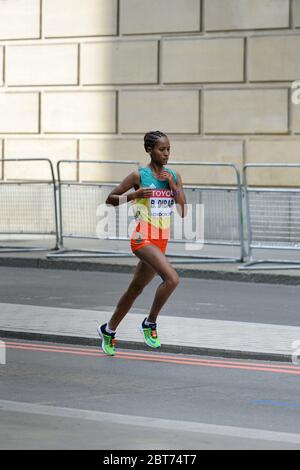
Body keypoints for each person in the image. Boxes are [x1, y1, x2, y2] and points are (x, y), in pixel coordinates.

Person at [98, 131, 187, 356]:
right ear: (149, 150)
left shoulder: (174, 175)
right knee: (172, 279)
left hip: (161, 240)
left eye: (168, 149)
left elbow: (183, 210)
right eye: (161, 149)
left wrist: (172, 185)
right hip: (142, 237)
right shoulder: (139, 175)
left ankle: (108, 329)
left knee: (135, 289)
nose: (166, 153)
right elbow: (110, 199)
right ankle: (150, 323)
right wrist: (135, 195)